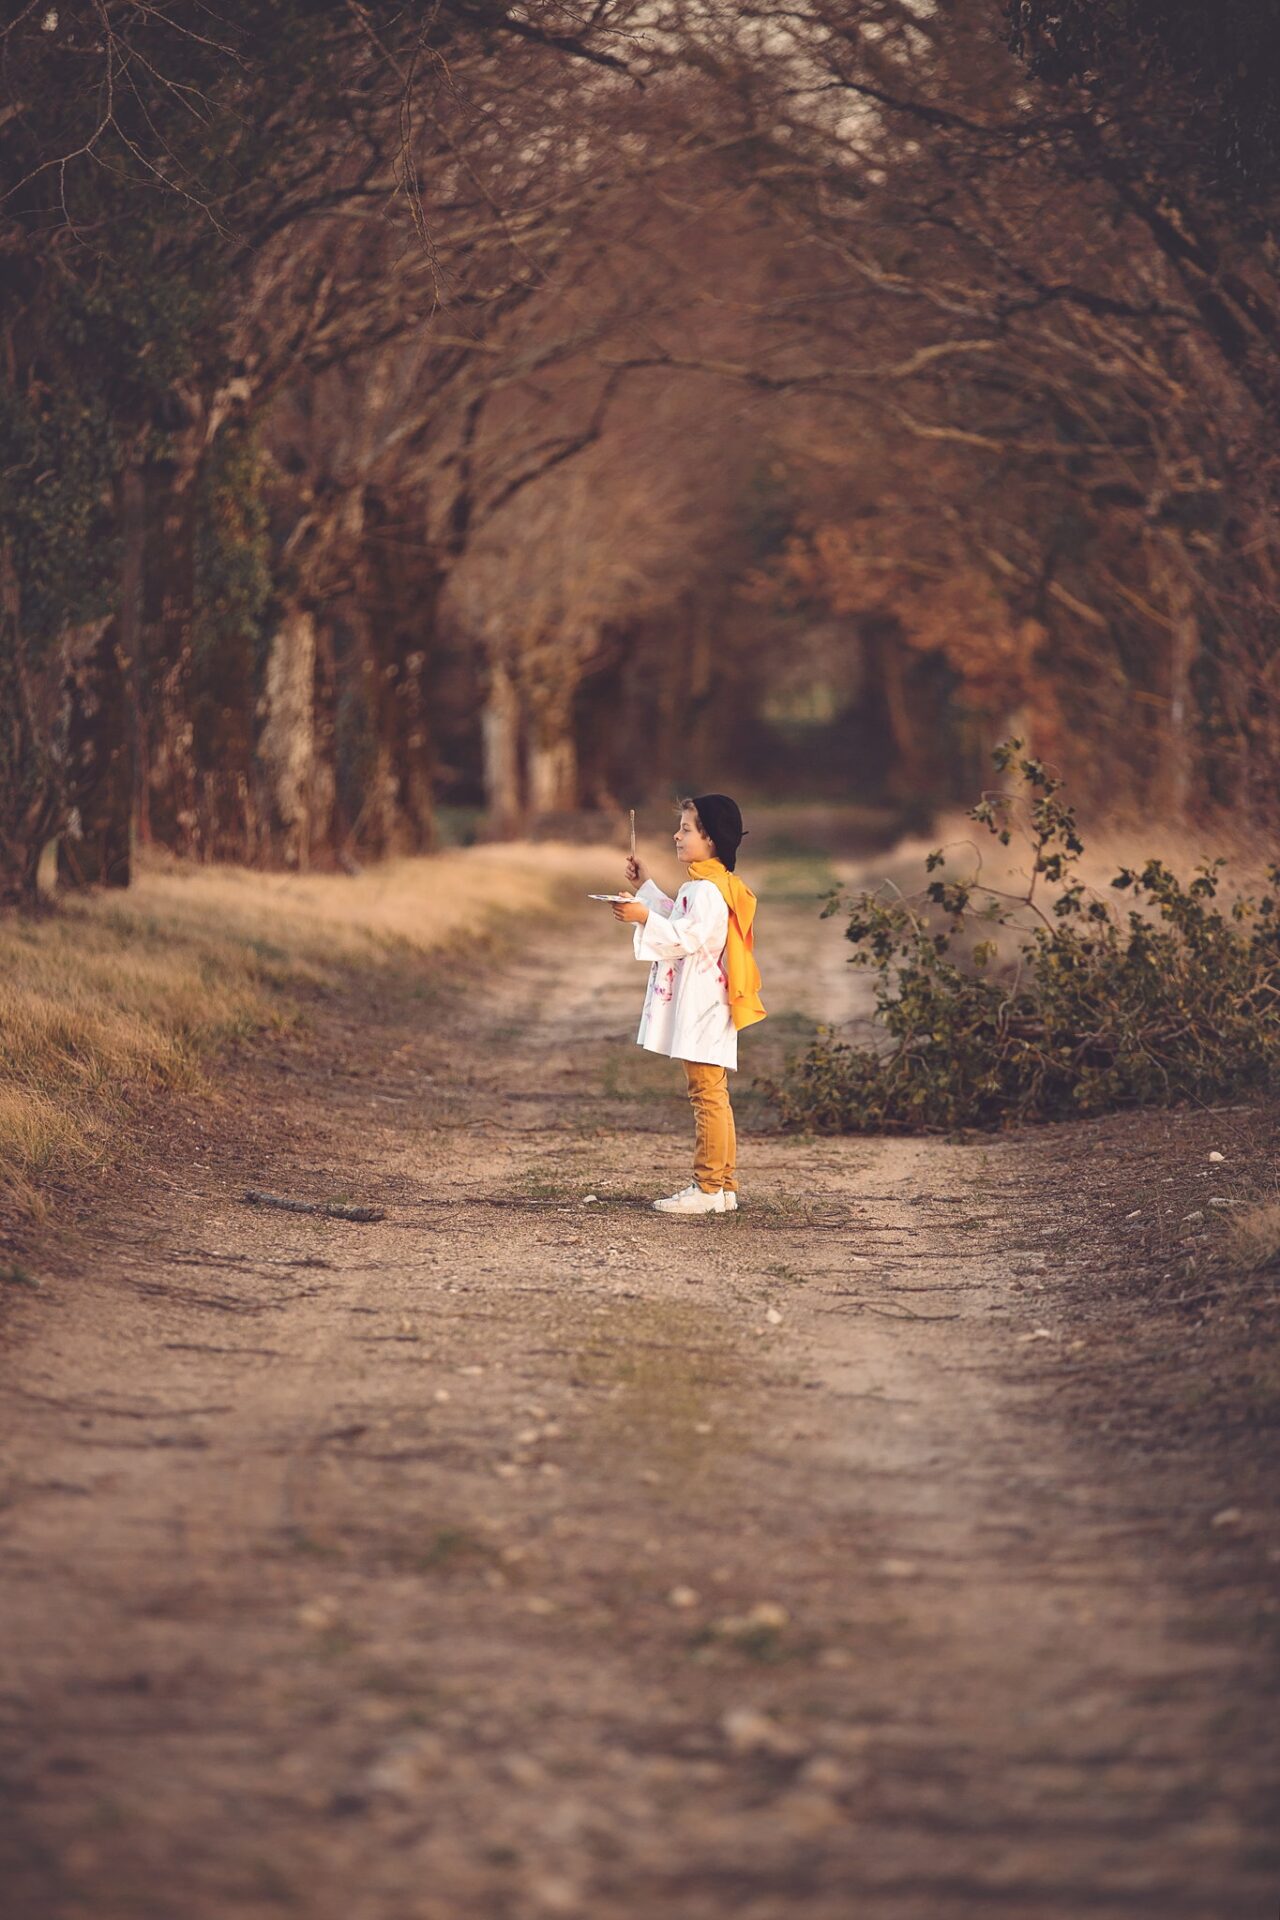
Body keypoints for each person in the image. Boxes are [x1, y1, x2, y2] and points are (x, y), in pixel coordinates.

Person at [612, 794, 765, 1214]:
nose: (676, 836)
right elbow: (682, 920)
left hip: (704, 1006)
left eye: (686, 829)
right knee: (713, 1092)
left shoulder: (709, 891)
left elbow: (684, 937)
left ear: (710, 839)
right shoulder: (705, 885)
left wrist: (643, 916)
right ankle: (723, 1187)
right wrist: (646, 891)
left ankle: (708, 1189)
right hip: (707, 1004)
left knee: (706, 1094)